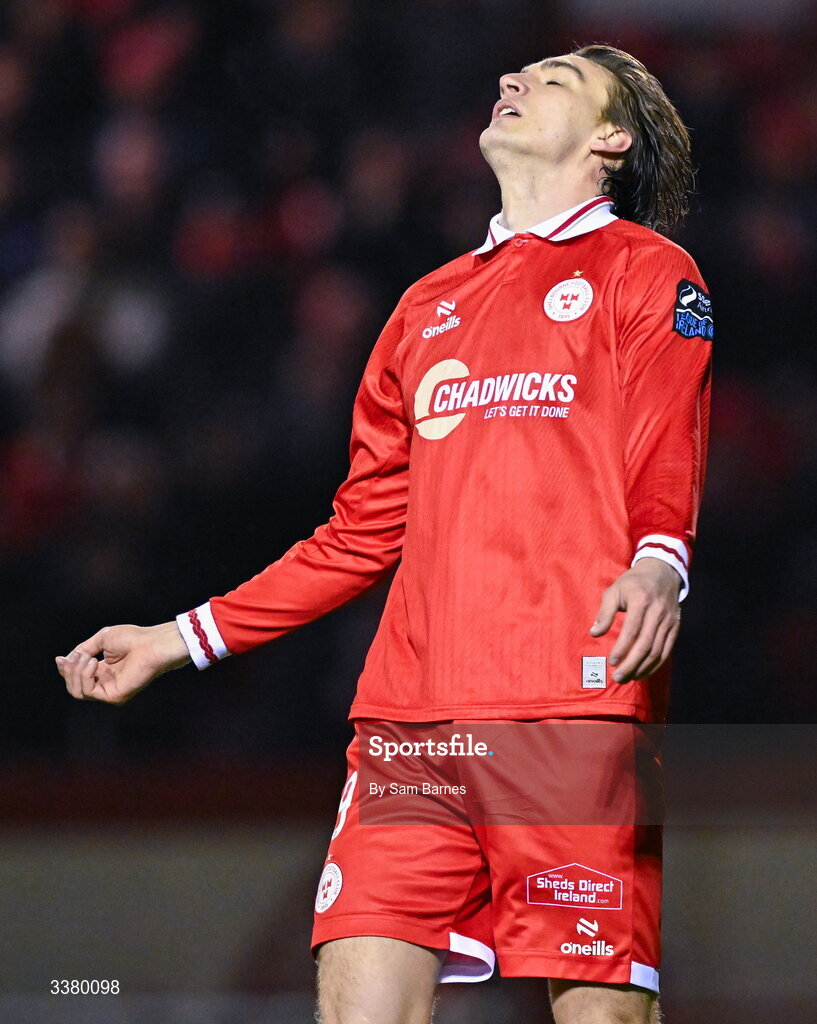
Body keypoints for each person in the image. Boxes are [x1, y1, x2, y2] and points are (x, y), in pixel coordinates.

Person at [57, 44, 712, 1024]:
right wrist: (175, 638)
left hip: (566, 715)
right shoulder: (423, 310)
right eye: (514, 76)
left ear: (611, 139)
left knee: (602, 1015)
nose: (513, 83)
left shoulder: (646, 272)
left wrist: (661, 567)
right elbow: (358, 535)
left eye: (555, 80)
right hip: (409, 728)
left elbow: (669, 445)